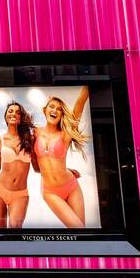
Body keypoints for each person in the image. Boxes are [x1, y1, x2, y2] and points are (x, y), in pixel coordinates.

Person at [33, 87, 91, 228]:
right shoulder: (34, 133)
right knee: (79, 230)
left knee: (82, 234)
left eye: (59, 109)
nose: (54, 110)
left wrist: (87, 81)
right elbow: (36, 168)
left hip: (72, 187)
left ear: (61, 114)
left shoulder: (65, 134)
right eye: (51, 107)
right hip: (51, 192)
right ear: (44, 110)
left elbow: (80, 103)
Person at [0, 102, 38, 228]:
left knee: (15, 228)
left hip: (20, 194)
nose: (14, 114)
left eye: (18, 112)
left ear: (21, 118)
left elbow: (38, 167)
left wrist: (65, 169)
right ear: (6, 116)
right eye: (10, 111)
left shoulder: (30, 139)